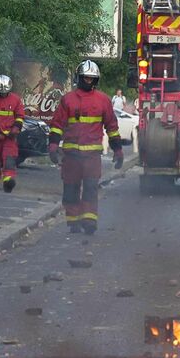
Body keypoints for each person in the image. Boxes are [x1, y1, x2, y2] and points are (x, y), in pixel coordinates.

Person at [48, 60, 123, 235]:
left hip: (92, 156)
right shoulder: (68, 99)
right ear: (79, 78)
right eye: (86, 78)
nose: (88, 81)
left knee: (90, 188)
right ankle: (73, 221)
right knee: (71, 189)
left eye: (92, 79)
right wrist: (52, 146)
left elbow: (112, 127)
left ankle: (89, 220)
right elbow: (57, 124)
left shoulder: (103, 100)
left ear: (95, 80)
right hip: (71, 155)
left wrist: (118, 151)